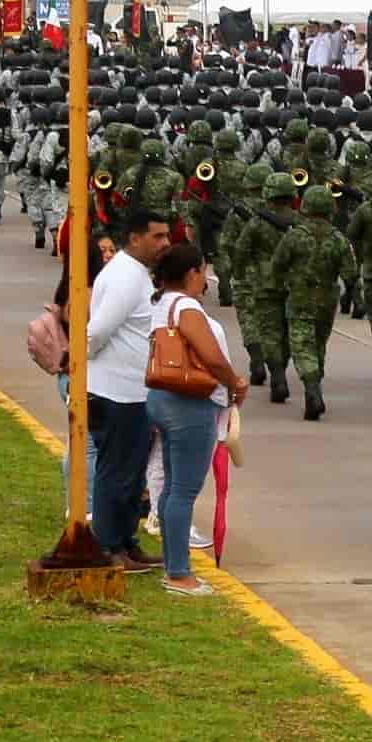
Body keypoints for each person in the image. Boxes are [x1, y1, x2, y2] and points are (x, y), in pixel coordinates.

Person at [143, 242, 244, 595]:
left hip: (163, 399)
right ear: (191, 273)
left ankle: (174, 564)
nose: (206, 279)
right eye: (203, 271)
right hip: (190, 404)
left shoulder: (162, 303)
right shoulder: (186, 306)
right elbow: (212, 358)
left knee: (173, 488)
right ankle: (179, 573)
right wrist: (235, 383)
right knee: (183, 491)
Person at [84, 208, 170, 569]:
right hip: (117, 393)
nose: (165, 243)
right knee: (116, 473)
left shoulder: (135, 273)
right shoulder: (124, 276)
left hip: (134, 392)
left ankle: (125, 541)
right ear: (135, 238)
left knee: (131, 474)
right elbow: (97, 331)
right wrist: (85, 366)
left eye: (167, 236)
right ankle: (108, 547)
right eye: (158, 237)